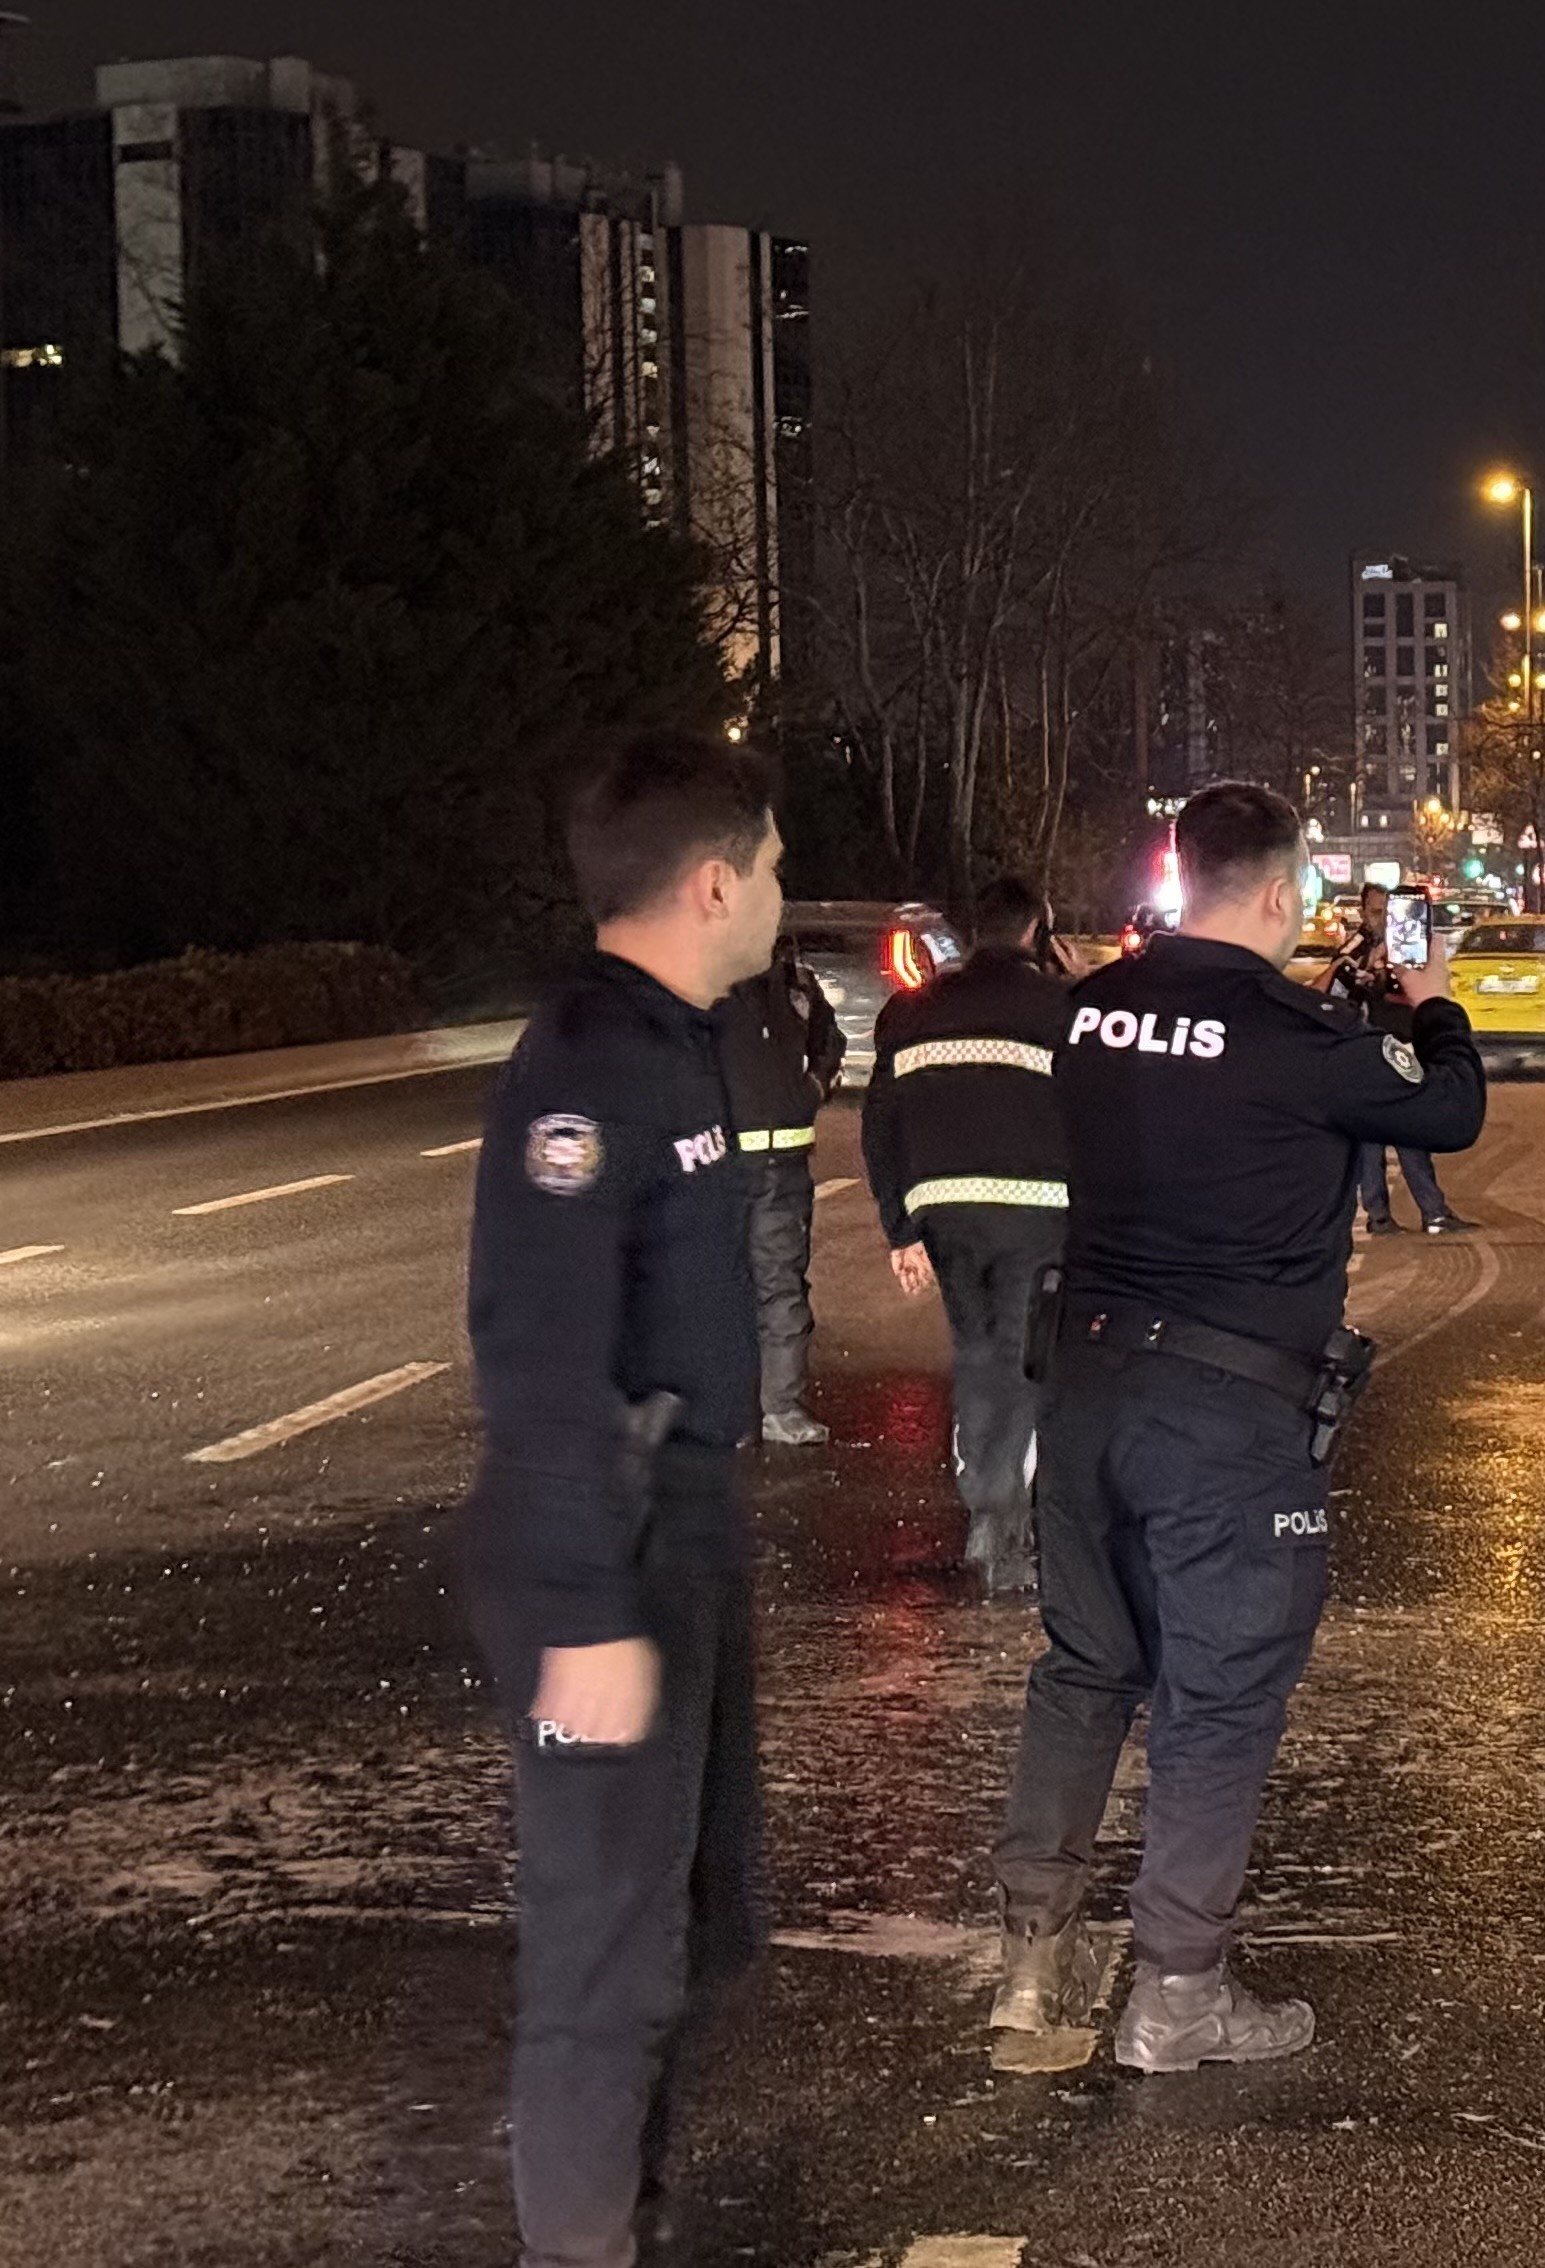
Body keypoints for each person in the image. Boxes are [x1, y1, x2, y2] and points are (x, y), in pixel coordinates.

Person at [990, 784, 1486, 2071]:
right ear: (1280, 892)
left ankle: (1032, 1966)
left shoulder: (1094, 1010)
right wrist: (1427, 998)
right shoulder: (1290, 1029)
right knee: (1216, 1701)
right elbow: (1448, 1110)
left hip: (1086, 1389)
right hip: (1227, 1417)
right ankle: (1179, 1995)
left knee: (1086, 1669)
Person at [455, 732, 785, 2267]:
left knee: (703, 1923)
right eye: (775, 869)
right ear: (714, 883)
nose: (784, 894)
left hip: (684, 1529)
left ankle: (623, 2215)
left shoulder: (671, 1039)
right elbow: (537, 1350)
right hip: (610, 1540)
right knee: (605, 1950)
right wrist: (584, 1617)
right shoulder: (586, 1065)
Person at [863, 875, 1075, 1594]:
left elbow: (880, 1125)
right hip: (1039, 1212)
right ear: (1035, 931)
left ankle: (986, 1497)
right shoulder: (1059, 1009)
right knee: (1021, 1357)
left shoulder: (913, 1012)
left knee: (978, 1350)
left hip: (945, 1213)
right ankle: (1000, 1508)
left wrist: (900, 1228)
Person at [717, 927, 844, 1444]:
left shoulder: (795, 988)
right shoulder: (701, 985)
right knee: (724, 1287)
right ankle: (730, 1409)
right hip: (718, 1166)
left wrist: (811, 1088)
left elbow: (829, 1043)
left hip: (779, 1164)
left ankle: (778, 1408)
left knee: (779, 1285)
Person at [1338, 882, 1472, 1237]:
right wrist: (1367, 975)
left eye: (1390, 911)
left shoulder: (1409, 946)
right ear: (1363, 913)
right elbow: (1341, 993)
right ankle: (1394, 1215)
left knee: (1405, 1133)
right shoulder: (1358, 948)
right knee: (1383, 1138)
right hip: (1373, 1050)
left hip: (1407, 1045)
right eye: (1377, 912)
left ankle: (1427, 1212)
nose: (1384, 919)